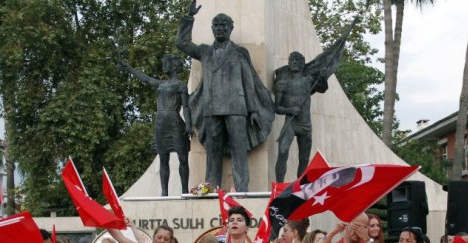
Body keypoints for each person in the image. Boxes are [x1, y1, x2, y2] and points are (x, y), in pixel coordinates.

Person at [176, 1, 274, 192]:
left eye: (223, 26)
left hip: (237, 108)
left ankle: (242, 190)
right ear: (212, 29)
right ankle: (210, 189)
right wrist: (189, 18)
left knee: (239, 151)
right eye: (216, 26)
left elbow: (249, 82)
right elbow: (181, 43)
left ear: (231, 29)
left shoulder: (239, 52)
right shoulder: (204, 51)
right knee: (213, 152)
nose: (220, 29)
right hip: (211, 108)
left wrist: (253, 109)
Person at [117, 53, 191, 196]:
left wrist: (188, 124)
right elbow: (146, 79)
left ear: (173, 66)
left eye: (166, 63)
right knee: (163, 157)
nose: (163, 66)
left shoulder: (180, 86)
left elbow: (186, 107)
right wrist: (128, 68)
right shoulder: (161, 84)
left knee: (182, 157)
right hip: (160, 122)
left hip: (174, 121)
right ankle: (164, 192)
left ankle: (185, 190)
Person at [273, 52, 328, 182]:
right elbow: (277, 108)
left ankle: (301, 185)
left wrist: (323, 77)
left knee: (304, 158)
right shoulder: (282, 84)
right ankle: (279, 184)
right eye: (292, 60)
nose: (295, 63)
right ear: (288, 63)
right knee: (283, 151)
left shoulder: (308, 81)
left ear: (303, 64)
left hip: (305, 125)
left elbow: (322, 88)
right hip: (290, 123)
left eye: (298, 61)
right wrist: (290, 109)